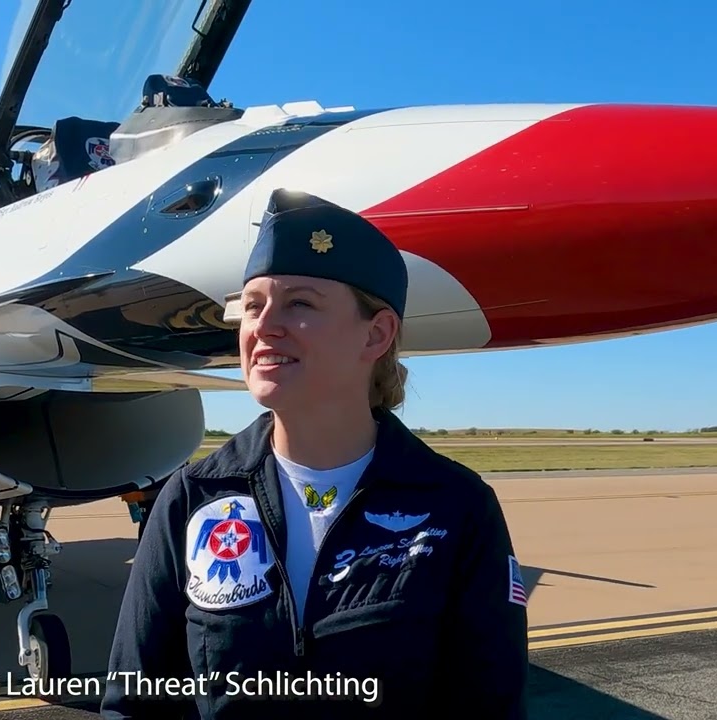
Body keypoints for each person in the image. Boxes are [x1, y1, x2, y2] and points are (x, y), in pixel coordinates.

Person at [100, 189, 528, 719]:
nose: (264, 326)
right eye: (254, 306)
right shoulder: (192, 500)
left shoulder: (456, 508)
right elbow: (136, 702)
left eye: (300, 303)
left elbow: (489, 707)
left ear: (376, 334)